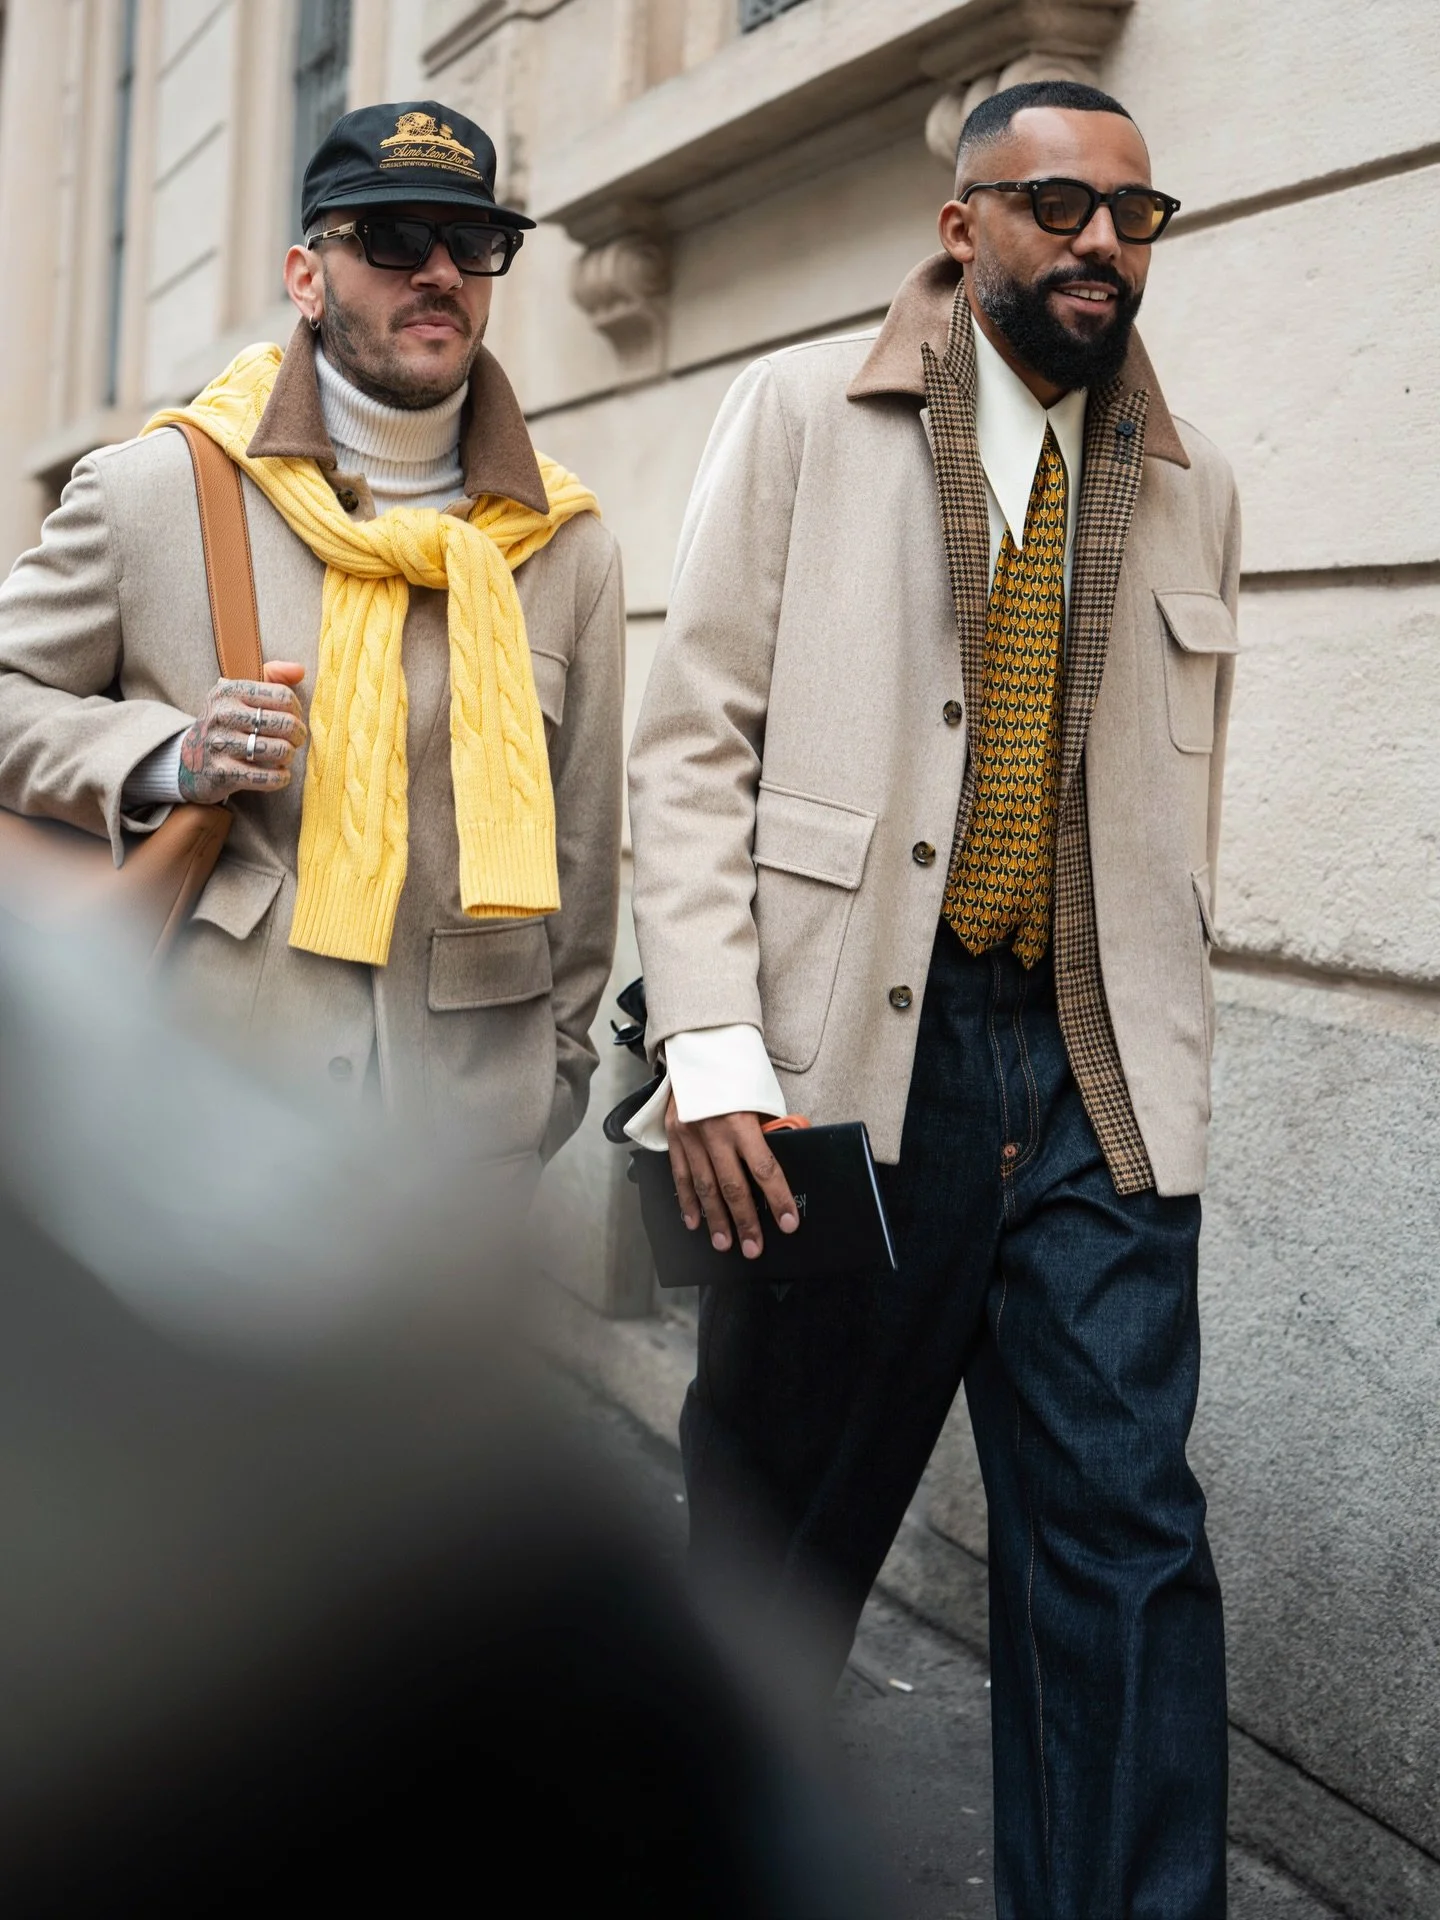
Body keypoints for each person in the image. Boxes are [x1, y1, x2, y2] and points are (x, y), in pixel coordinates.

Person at [627, 80, 1237, 1917]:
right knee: (780, 1545)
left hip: (1095, 1076)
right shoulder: (808, 416)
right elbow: (689, 743)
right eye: (1056, 207)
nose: (1101, 246)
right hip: (852, 1071)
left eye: (1134, 216)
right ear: (961, 225)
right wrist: (713, 1051)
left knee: (1127, 1546)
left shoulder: (1196, 483)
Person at [0, 101, 623, 1172]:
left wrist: (544, 1095)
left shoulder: (564, 542)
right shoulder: (159, 488)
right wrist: (168, 757)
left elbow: (583, 852)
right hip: (185, 1119)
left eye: (472, 244)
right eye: (391, 238)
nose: (438, 271)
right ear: (306, 276)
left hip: (453, 1165)